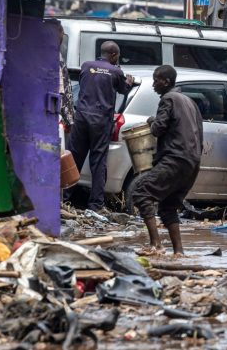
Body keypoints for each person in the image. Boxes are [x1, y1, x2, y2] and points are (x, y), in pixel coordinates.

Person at [134, 65, 203, 256]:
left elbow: (158, 129)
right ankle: (179, 252)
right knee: (168, 207)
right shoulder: (190, 102)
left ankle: (156, 245)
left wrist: (151, 121)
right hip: (192, 162)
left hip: (175, 158)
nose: (154, 84)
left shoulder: (168, 99)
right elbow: (200, 133)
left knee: (141, 192)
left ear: (167, 81)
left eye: (156, 80)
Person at [68, 41, 134, 211]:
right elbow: (123, 89)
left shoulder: (86, 66)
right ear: (113, 55)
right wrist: (128, 81)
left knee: (74, 158)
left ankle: (64, 198)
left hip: (81, 117)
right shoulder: (116, 71)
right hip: (100, 121)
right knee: (97, 162)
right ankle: (96, 204)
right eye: (117, 55)